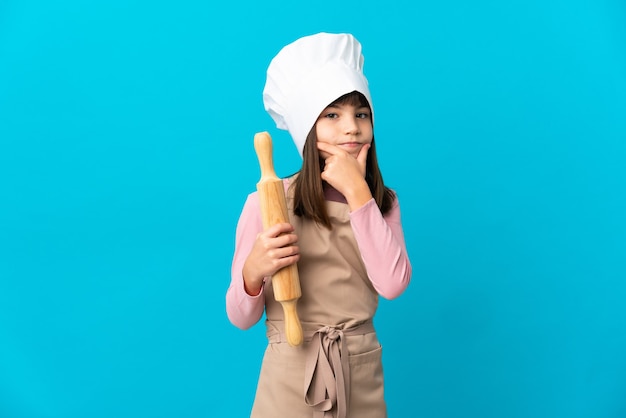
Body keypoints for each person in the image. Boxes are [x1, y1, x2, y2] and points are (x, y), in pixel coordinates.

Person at [226, 32, 412, 418]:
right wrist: (253, 271)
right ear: (306, 129)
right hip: (290, 370)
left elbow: (392, 284)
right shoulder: (268, 203)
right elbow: (241, 317)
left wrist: (358, 194)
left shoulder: (383, 203)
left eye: (361, 114)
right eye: (332, 115)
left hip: (358, 369)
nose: (351, 128)